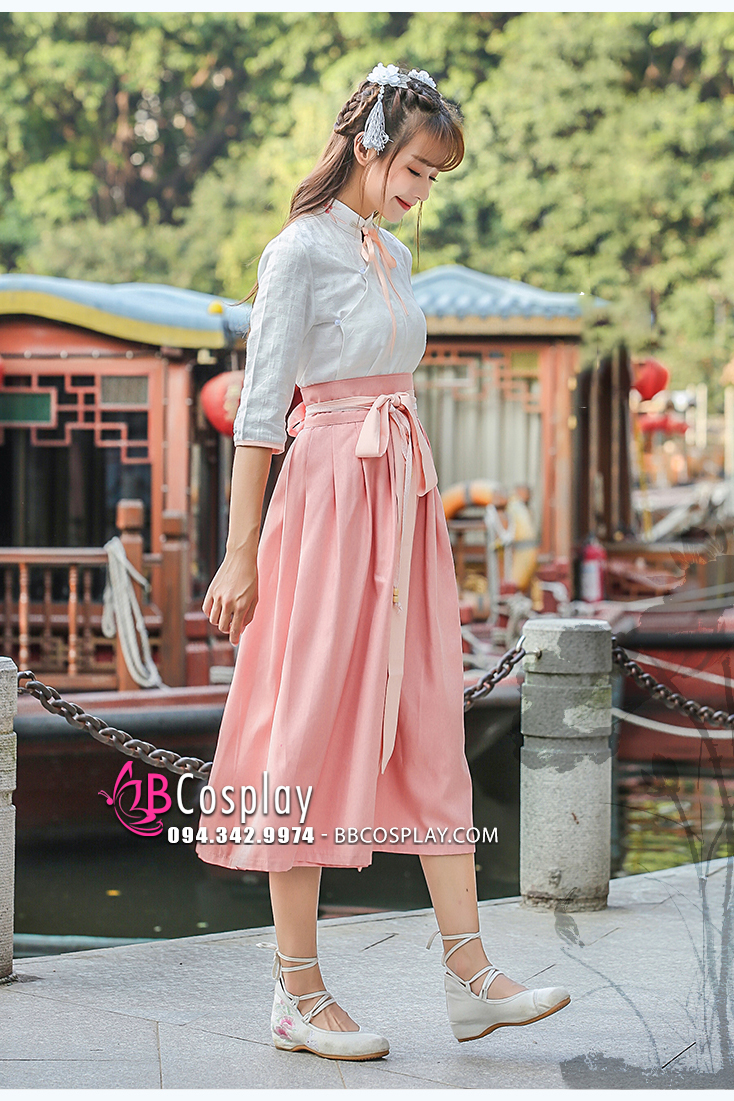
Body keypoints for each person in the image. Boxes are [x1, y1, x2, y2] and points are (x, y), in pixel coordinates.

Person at [198, 61, 570, 1061]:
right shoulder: (297, 252)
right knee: (308, 728)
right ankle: (297, 992)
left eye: (434, 177)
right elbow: (261, 411)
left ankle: (470, 974)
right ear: (368, 147)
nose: (422, 191)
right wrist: (239, 552)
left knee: (431, 717)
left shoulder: (391, 254)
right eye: (415, 170)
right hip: (326, 500)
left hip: (401, 501)